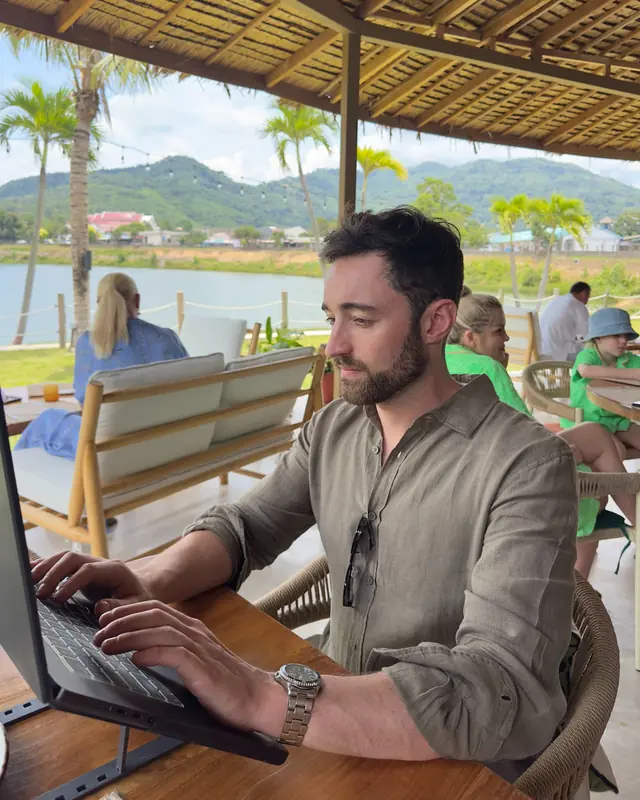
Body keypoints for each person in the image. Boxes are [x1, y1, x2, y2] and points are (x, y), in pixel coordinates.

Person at [33, 208, 577, 779]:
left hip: (456, 763)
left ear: (436, 321)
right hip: (334, 704)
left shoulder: (526, 464)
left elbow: (501, 684)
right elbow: (247, 526)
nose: (335, 344)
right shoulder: (334, 426)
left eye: (360, 320)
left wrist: (261, 696)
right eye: (331, 317)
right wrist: (149, 578)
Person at [446, 292, 636, 578]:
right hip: (520, 483)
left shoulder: (440, 360)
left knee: (598, 443)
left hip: (470, 480)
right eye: (499, 331)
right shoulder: (485, 367)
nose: (507, 339)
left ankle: (577, 594)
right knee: (598, 454)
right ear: (471, 338)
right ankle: (580, 593)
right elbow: (529, 436)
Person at [15, 272, 188, 461]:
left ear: (100, 304)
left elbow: (86, 407)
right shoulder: (166, 338)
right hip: (164, 444)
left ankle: (8, 484)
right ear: (137, 300)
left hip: (113, 451)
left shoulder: (89, 342)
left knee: (48, 421)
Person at [564, 307, 640, 459]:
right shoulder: (588, 355)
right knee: (617, 452)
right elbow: (586, 370)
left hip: (618, 419)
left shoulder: (627, 359)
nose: (624, 341)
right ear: (598, 338)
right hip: (589, 421)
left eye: (625, 335)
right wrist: (634, 375)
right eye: (616, 335)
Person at [540, 281, 591, 361]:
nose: (587, 301)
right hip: (559, 352)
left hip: (542, 349)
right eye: (588, 297)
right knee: (594, 351)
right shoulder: (578, 305)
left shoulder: (554, 301)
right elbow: (585, 335)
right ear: (584, 294)